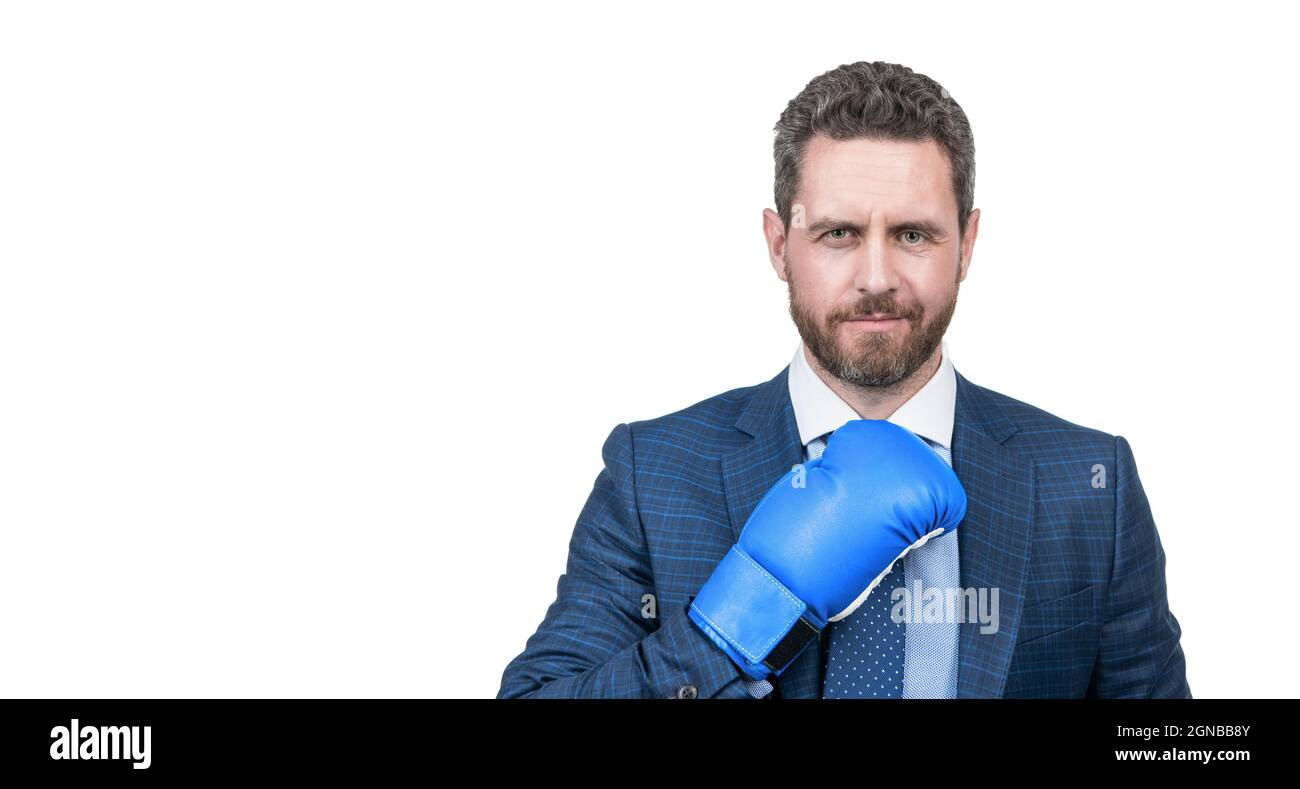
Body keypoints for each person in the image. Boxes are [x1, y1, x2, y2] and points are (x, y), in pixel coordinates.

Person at [497, 60, 1190, 699]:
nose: (878, 277)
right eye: (839, 235)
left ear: (968, 244)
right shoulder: (654, 474)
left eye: (915, 234)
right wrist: (739, 619)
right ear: (778, 244)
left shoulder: (1092, 484)